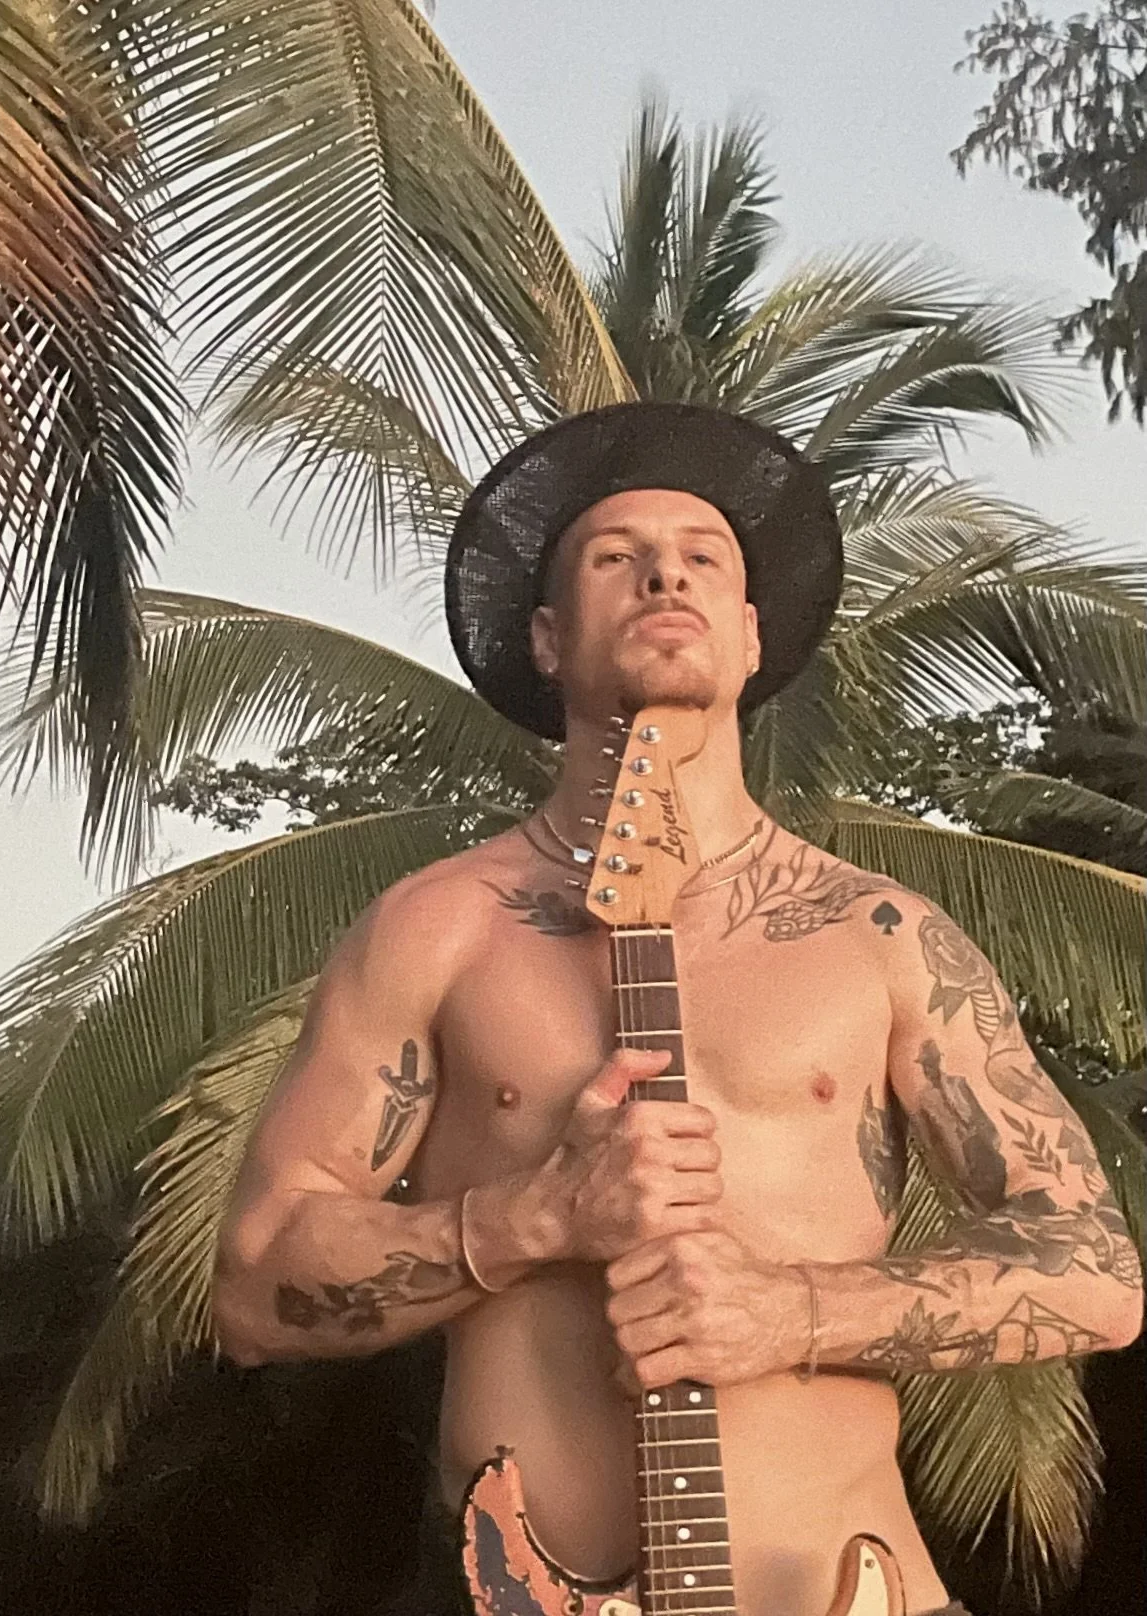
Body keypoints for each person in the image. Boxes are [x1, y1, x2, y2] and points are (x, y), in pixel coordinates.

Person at [209, 403, 1142, 1616]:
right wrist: (529, 1218)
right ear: (547, 637)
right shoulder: (437, 929)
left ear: (749, 637)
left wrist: (792, 1309)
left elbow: (1096, 1267)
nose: (663, 570)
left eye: (705, 556)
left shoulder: (880, 937)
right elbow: (251, 1290)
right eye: (613, 555)